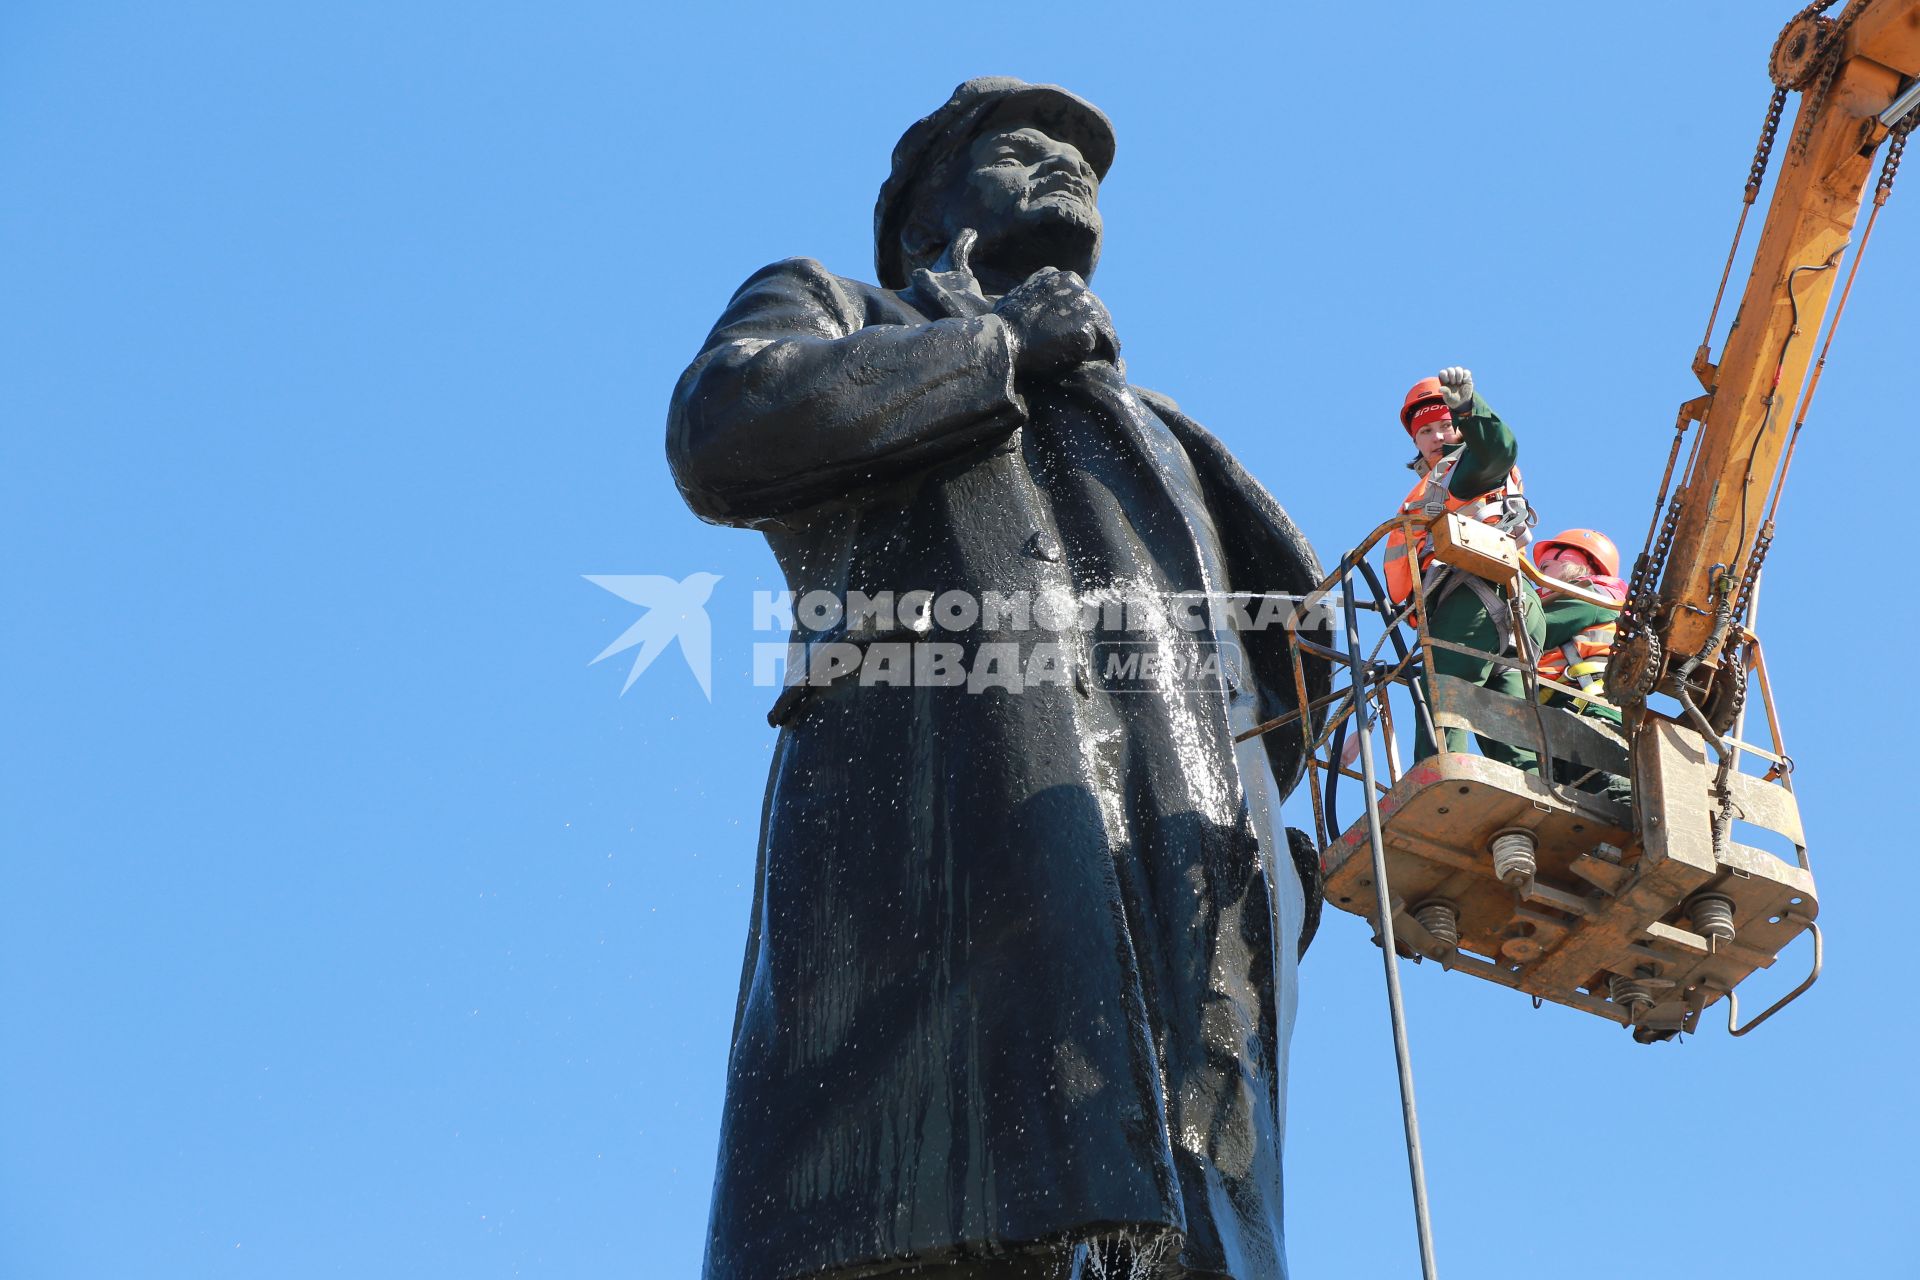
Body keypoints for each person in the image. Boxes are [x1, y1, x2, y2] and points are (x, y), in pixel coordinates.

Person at [668, 78, 1328, 1280]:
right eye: (1024, 148)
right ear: (923, 218)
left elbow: (1279, 682)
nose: (1068, 168)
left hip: (1181, 983)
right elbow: (724, 423)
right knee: (942, 1215)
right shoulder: (847, 307)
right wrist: (999, 346)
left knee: (1179, 1224)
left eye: (1082, 159)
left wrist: (1278, 873)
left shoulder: (1167, 441)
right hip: (941, 885)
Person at [1381, 368, 1545, 771]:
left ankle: (1437, 777)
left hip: (1472, 597)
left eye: (1445, 425)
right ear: (1415, 441)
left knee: (1443, 692)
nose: (1436, 437)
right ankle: (1525, 792)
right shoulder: (1437, 484)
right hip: (1514, 603)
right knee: (1505, 724)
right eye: (1425, 432)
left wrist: (1471, 410)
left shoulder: (1466, 470)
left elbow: (1498, 450)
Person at [1533, 529, 1633, 805]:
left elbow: (1532, 630)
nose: (1537, 579)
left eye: (1545, 567)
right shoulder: (1574, 600)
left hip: (1587, 711)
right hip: (1566, 713)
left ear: (1570, 560)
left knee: (1611, 791)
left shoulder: (1590, 595)